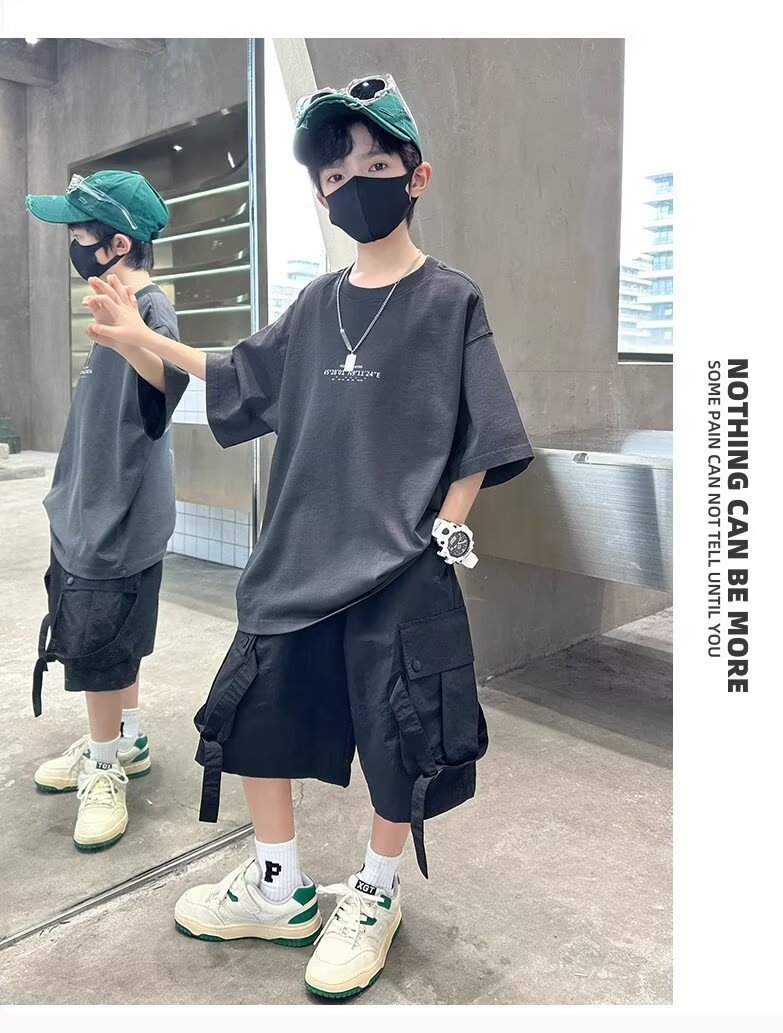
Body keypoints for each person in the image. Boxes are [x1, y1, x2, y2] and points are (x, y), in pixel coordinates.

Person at [81, 76, 534, 998]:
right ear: (321, 196)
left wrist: (444, 538)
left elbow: (482, 433)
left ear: (416, 175)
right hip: (297, 557)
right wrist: (141, 337)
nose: (353, 183)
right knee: (258, 715)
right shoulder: (315, 302)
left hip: (400, 565)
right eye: (335, 175)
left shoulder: (452, 300)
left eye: (374, 165)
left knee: (402, 738)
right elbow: (234, 374)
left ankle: (375, 891)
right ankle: (279, 885)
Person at [25, 171, 189, 851]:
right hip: (89, 516)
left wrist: (133, 336)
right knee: (115, 645)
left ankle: (103, 767)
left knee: (98, 651)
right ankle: (125, 739)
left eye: (79, 233)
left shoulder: (149, 315)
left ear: (119, 243)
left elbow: (167, 381)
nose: (72, 244)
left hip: (114, 525)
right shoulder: (120, 310)